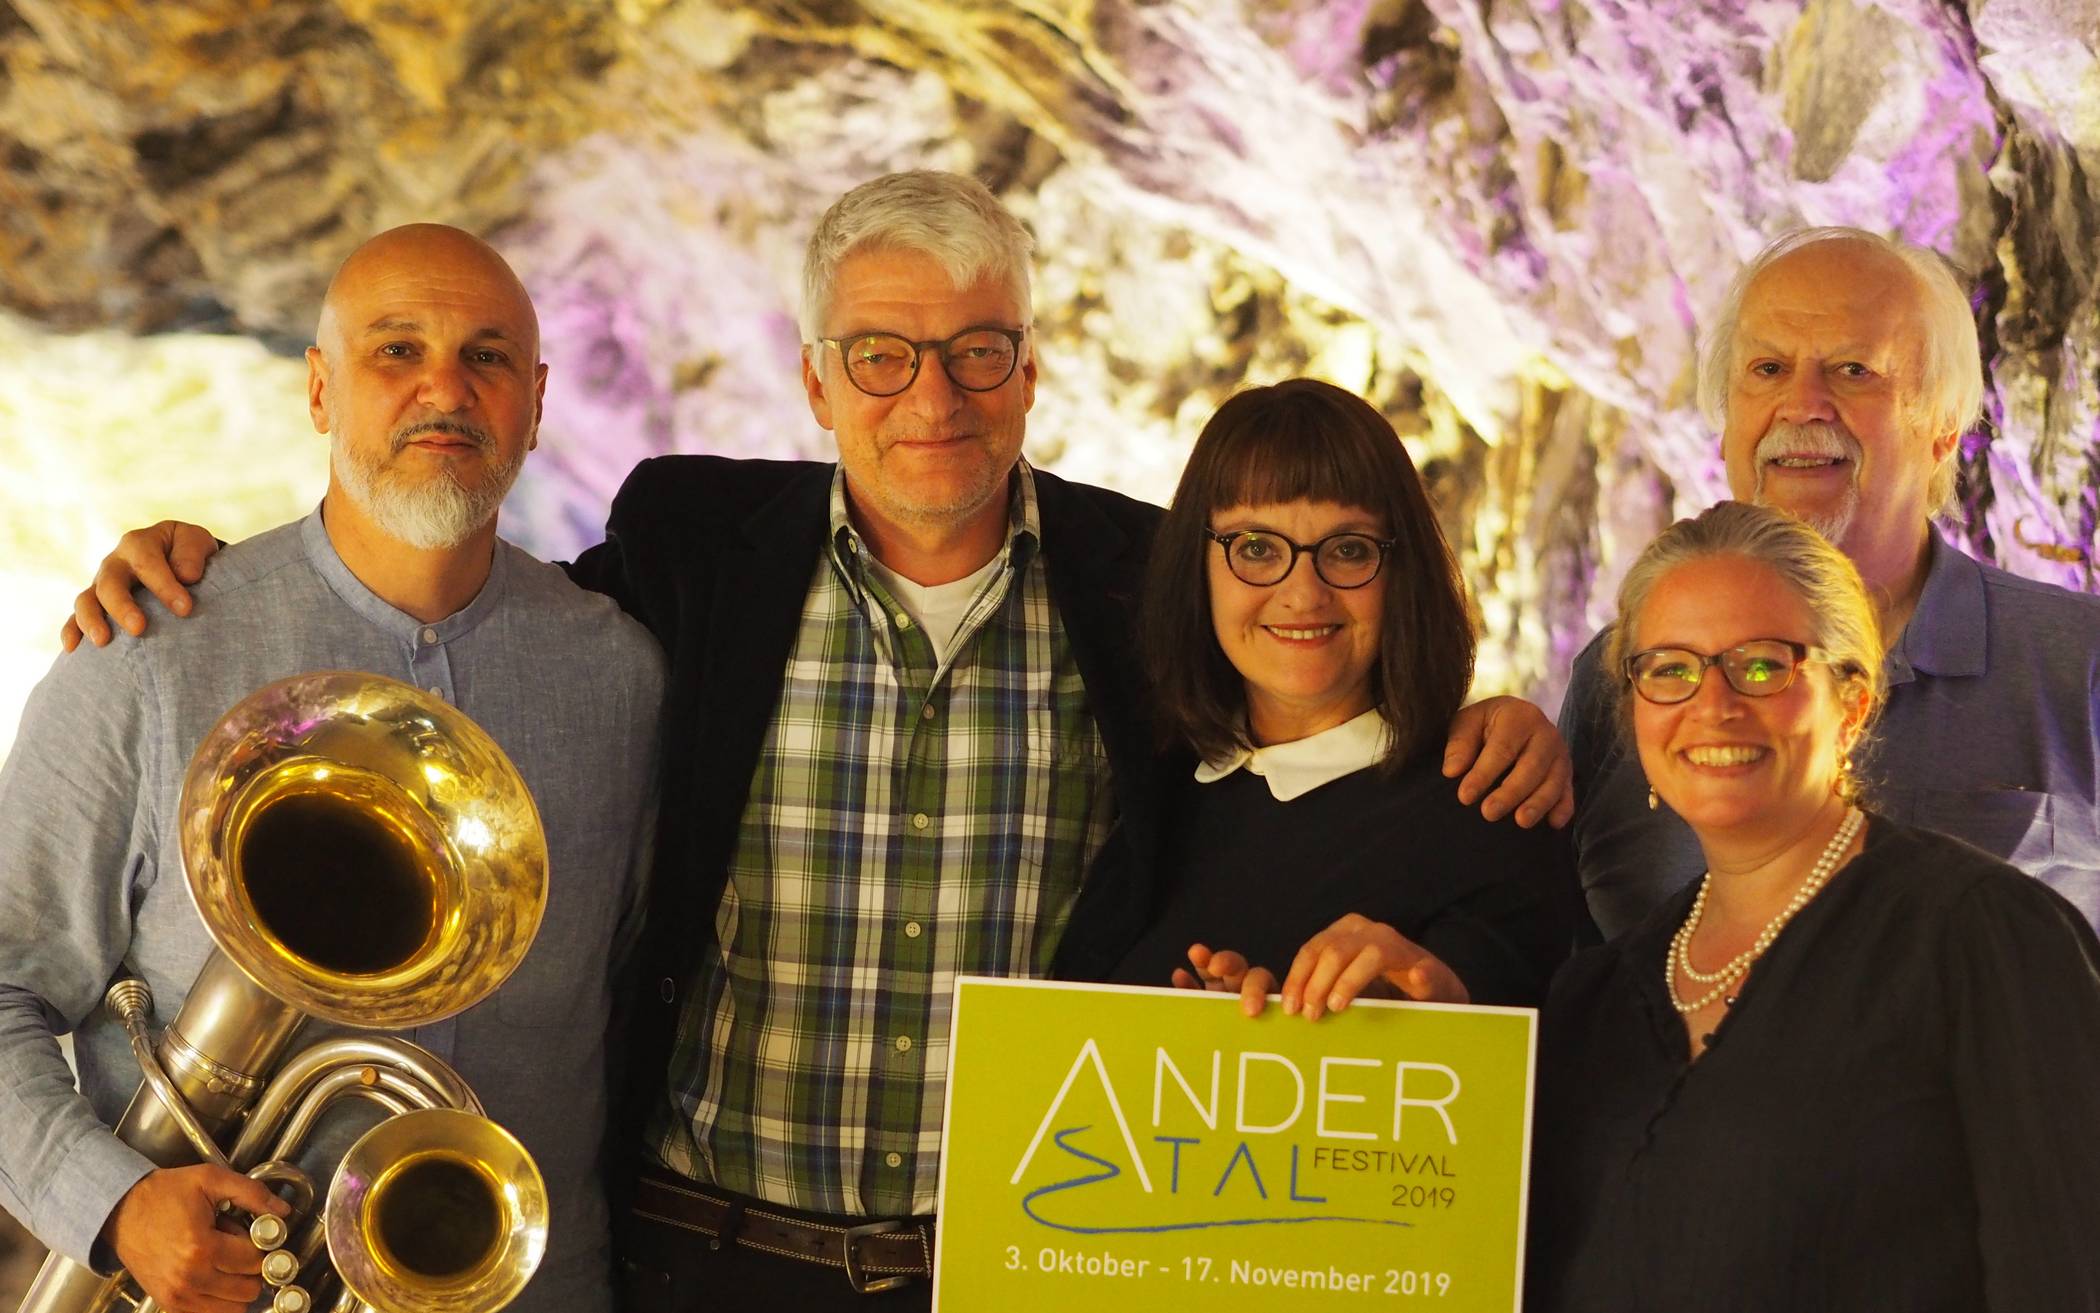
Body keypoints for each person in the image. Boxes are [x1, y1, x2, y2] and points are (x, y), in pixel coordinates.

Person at [57, 172, 1573, 1310]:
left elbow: (1307, 684)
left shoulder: (1144, 578)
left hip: (1006, 1266)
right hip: (696, 1257)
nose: (935, 397)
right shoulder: (688, 544)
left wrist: (1492, 718)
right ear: (813, 381)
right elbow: (439, 599)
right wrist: (209, 567)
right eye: (882, 356)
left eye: (980, 352)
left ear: (1031, 374)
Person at [0, 225, 663, 1313]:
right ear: (319, 389)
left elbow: (639, 996)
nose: (443, 389)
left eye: (486, 357)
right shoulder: (152, 653)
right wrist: (114, 1206)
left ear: (536, 403)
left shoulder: (622, 678)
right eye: (396, 351)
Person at [1528, 500, 2100, 1311]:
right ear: (1632, 707)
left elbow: (2067, 1274)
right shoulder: (1593, 1002)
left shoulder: (1985, 938)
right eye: (1670, 668)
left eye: (1763, 664)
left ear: (1854, 700)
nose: (1713, 703)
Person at [1558, 227, 2100, 940]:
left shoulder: (2077, 664)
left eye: (1853, 370)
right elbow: (1544, 959)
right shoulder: (1628, 675)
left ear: (1943, 426)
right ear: (1724, 423)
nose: (1802, 404)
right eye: (1768, 369)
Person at [1105, 380, 1575, 1016]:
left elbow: (1502, 1062)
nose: (1303, 593)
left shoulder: (1487, 806)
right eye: (1257, 548)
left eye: (1348, 550)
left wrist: (1411, 1001)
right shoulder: (1143, 779)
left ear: (1402, 571)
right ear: (1197, 565)